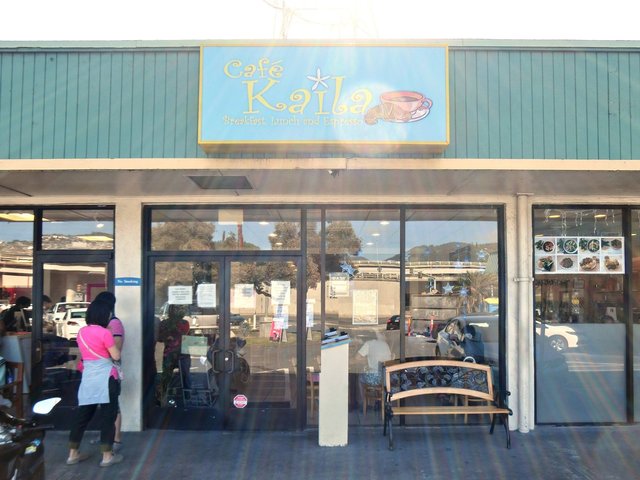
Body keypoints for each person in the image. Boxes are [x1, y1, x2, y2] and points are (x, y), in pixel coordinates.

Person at [66, 300, 123, 467]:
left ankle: (72, 454)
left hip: (88, 377)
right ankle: (107, 456)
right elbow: (116, 355)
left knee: (82, 416)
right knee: (108, 416)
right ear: (103, 315)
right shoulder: (105, 333)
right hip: (106, 378)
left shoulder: (81, 332)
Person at [94, 291, 124, 453]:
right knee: (104, 404)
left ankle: (116, 438)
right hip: (100, 369)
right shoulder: (103, 324)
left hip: (111, 369)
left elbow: (117, 348)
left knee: (114, 406)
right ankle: (106, 436)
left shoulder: (114, 323)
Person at [157, 304, 191, 406]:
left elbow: (160, 338)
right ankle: (187, 398)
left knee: (167, 377)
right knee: (185, 376)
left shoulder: (165, 323)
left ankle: (164, 399)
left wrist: (168, 336)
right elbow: (183, 335)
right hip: (180, 353)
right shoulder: (183, 323)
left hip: (171, 353)